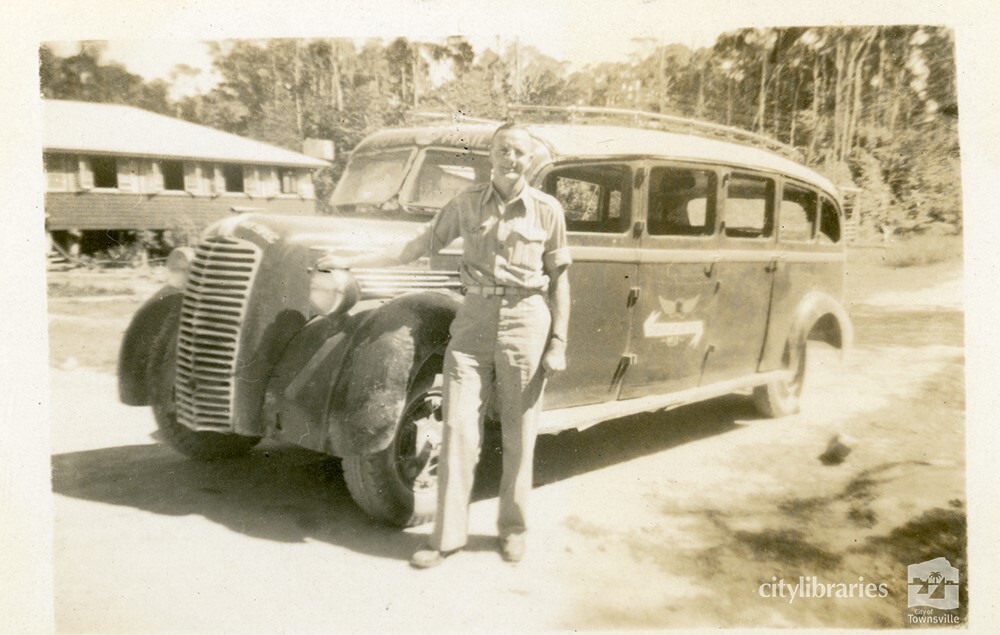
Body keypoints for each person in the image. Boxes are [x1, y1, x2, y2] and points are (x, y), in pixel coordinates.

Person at [318, 123, 571, 568]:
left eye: (517, 152)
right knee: (457, 429)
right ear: (491, 156)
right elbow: (415, 247)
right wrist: (351, 261)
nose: (509, 159)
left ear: (529, 160)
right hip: (473, 322)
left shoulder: (547, 211)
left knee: (518, 434)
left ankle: (512, 530)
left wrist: (558, 341)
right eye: (501, 150)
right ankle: (446, 539)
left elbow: (562, 281)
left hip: (527, 321)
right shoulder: (466, 204)